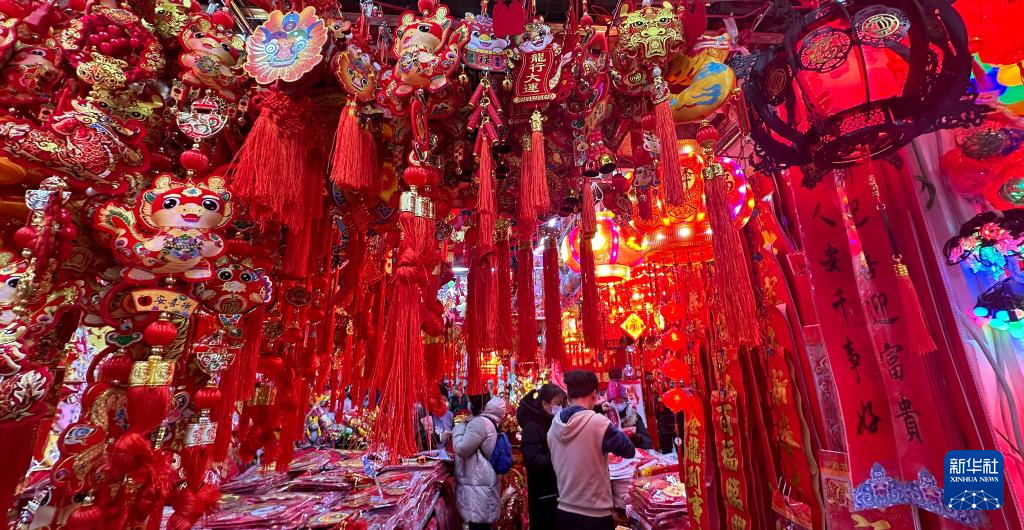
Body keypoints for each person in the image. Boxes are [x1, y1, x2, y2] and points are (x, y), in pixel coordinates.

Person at [549, 370, 636, 530]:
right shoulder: (598, 423)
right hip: (595, 514)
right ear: (594, 394)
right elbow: (628, 450)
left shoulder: (555, 424)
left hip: (564, 511)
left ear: (568, 395)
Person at [516, 383, 567, 530]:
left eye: (562, 404)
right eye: (557, 404)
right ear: (544, 403)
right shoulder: (531, 427)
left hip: (558, 491)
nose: (560, 408)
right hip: (543, 495)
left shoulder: (554, 422)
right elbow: (533, 462)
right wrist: (560, 455)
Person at [453, 394, 507, 530]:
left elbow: (462, 448)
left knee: (478, 524)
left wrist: (458, 429)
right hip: (482, 477)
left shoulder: (479, 423)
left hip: (477, 478)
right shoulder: (488, 419)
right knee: (482, 524)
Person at [605, 381, 653, 450]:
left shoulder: (634, 416)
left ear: (626, 401)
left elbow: (648, 443)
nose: (618, 405)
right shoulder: (604, 419)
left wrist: (639, 439)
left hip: (633, 453)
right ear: (609, 403)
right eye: (615, 402)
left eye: (621, 401)